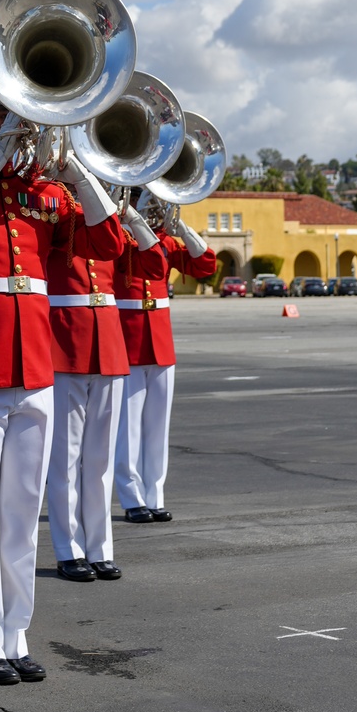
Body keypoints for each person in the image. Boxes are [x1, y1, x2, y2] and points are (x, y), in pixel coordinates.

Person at [0, 74, 124, 686]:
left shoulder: (43, 194)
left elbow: (109, 242)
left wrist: (78, 172)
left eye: (9, 113)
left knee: (20, 509)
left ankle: (13, 633)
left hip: (35, 363)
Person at [46, 202, 162, 583]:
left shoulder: (112, 226)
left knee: (99, 461)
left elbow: (156, 265)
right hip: (66, 342)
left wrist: (133, 219)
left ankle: (99, 549)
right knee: (65, 458)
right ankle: (69, 550)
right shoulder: (53, 215)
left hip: (109, 345)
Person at [114, 195, 216, 523]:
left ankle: (154, 495)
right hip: (127, 340)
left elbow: (206, 265)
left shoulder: (167, 241)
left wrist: (181, 228)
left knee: (158, 427)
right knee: (128, 429)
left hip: (159, 342)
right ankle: (131, 499)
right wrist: (129, 218)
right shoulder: (118, 234)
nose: (151, 206)